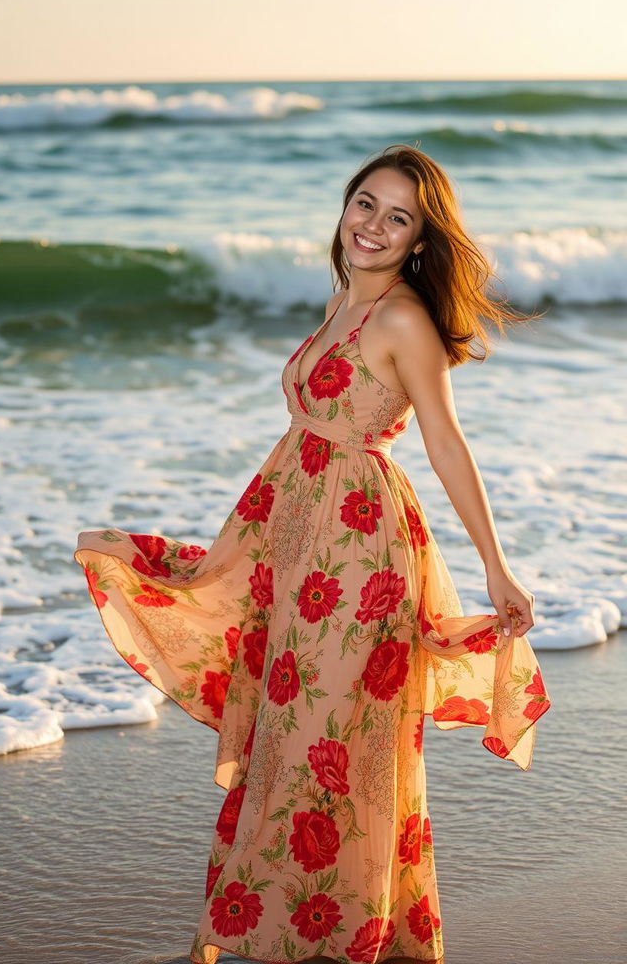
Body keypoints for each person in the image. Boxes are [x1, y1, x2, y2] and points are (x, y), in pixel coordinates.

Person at [74, 143, 551, 964]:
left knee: (330, 746)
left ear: (418, 240)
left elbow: (444, 442)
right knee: (286, 736)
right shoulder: (341, 301)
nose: (374, 225)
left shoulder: (402, 318)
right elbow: (309, 436)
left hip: (361, 558)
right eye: (365, 203)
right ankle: (314, 931)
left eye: (398, 217)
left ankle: (333, 939)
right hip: (296, 542)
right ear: (344, 207)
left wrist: (495, 565)